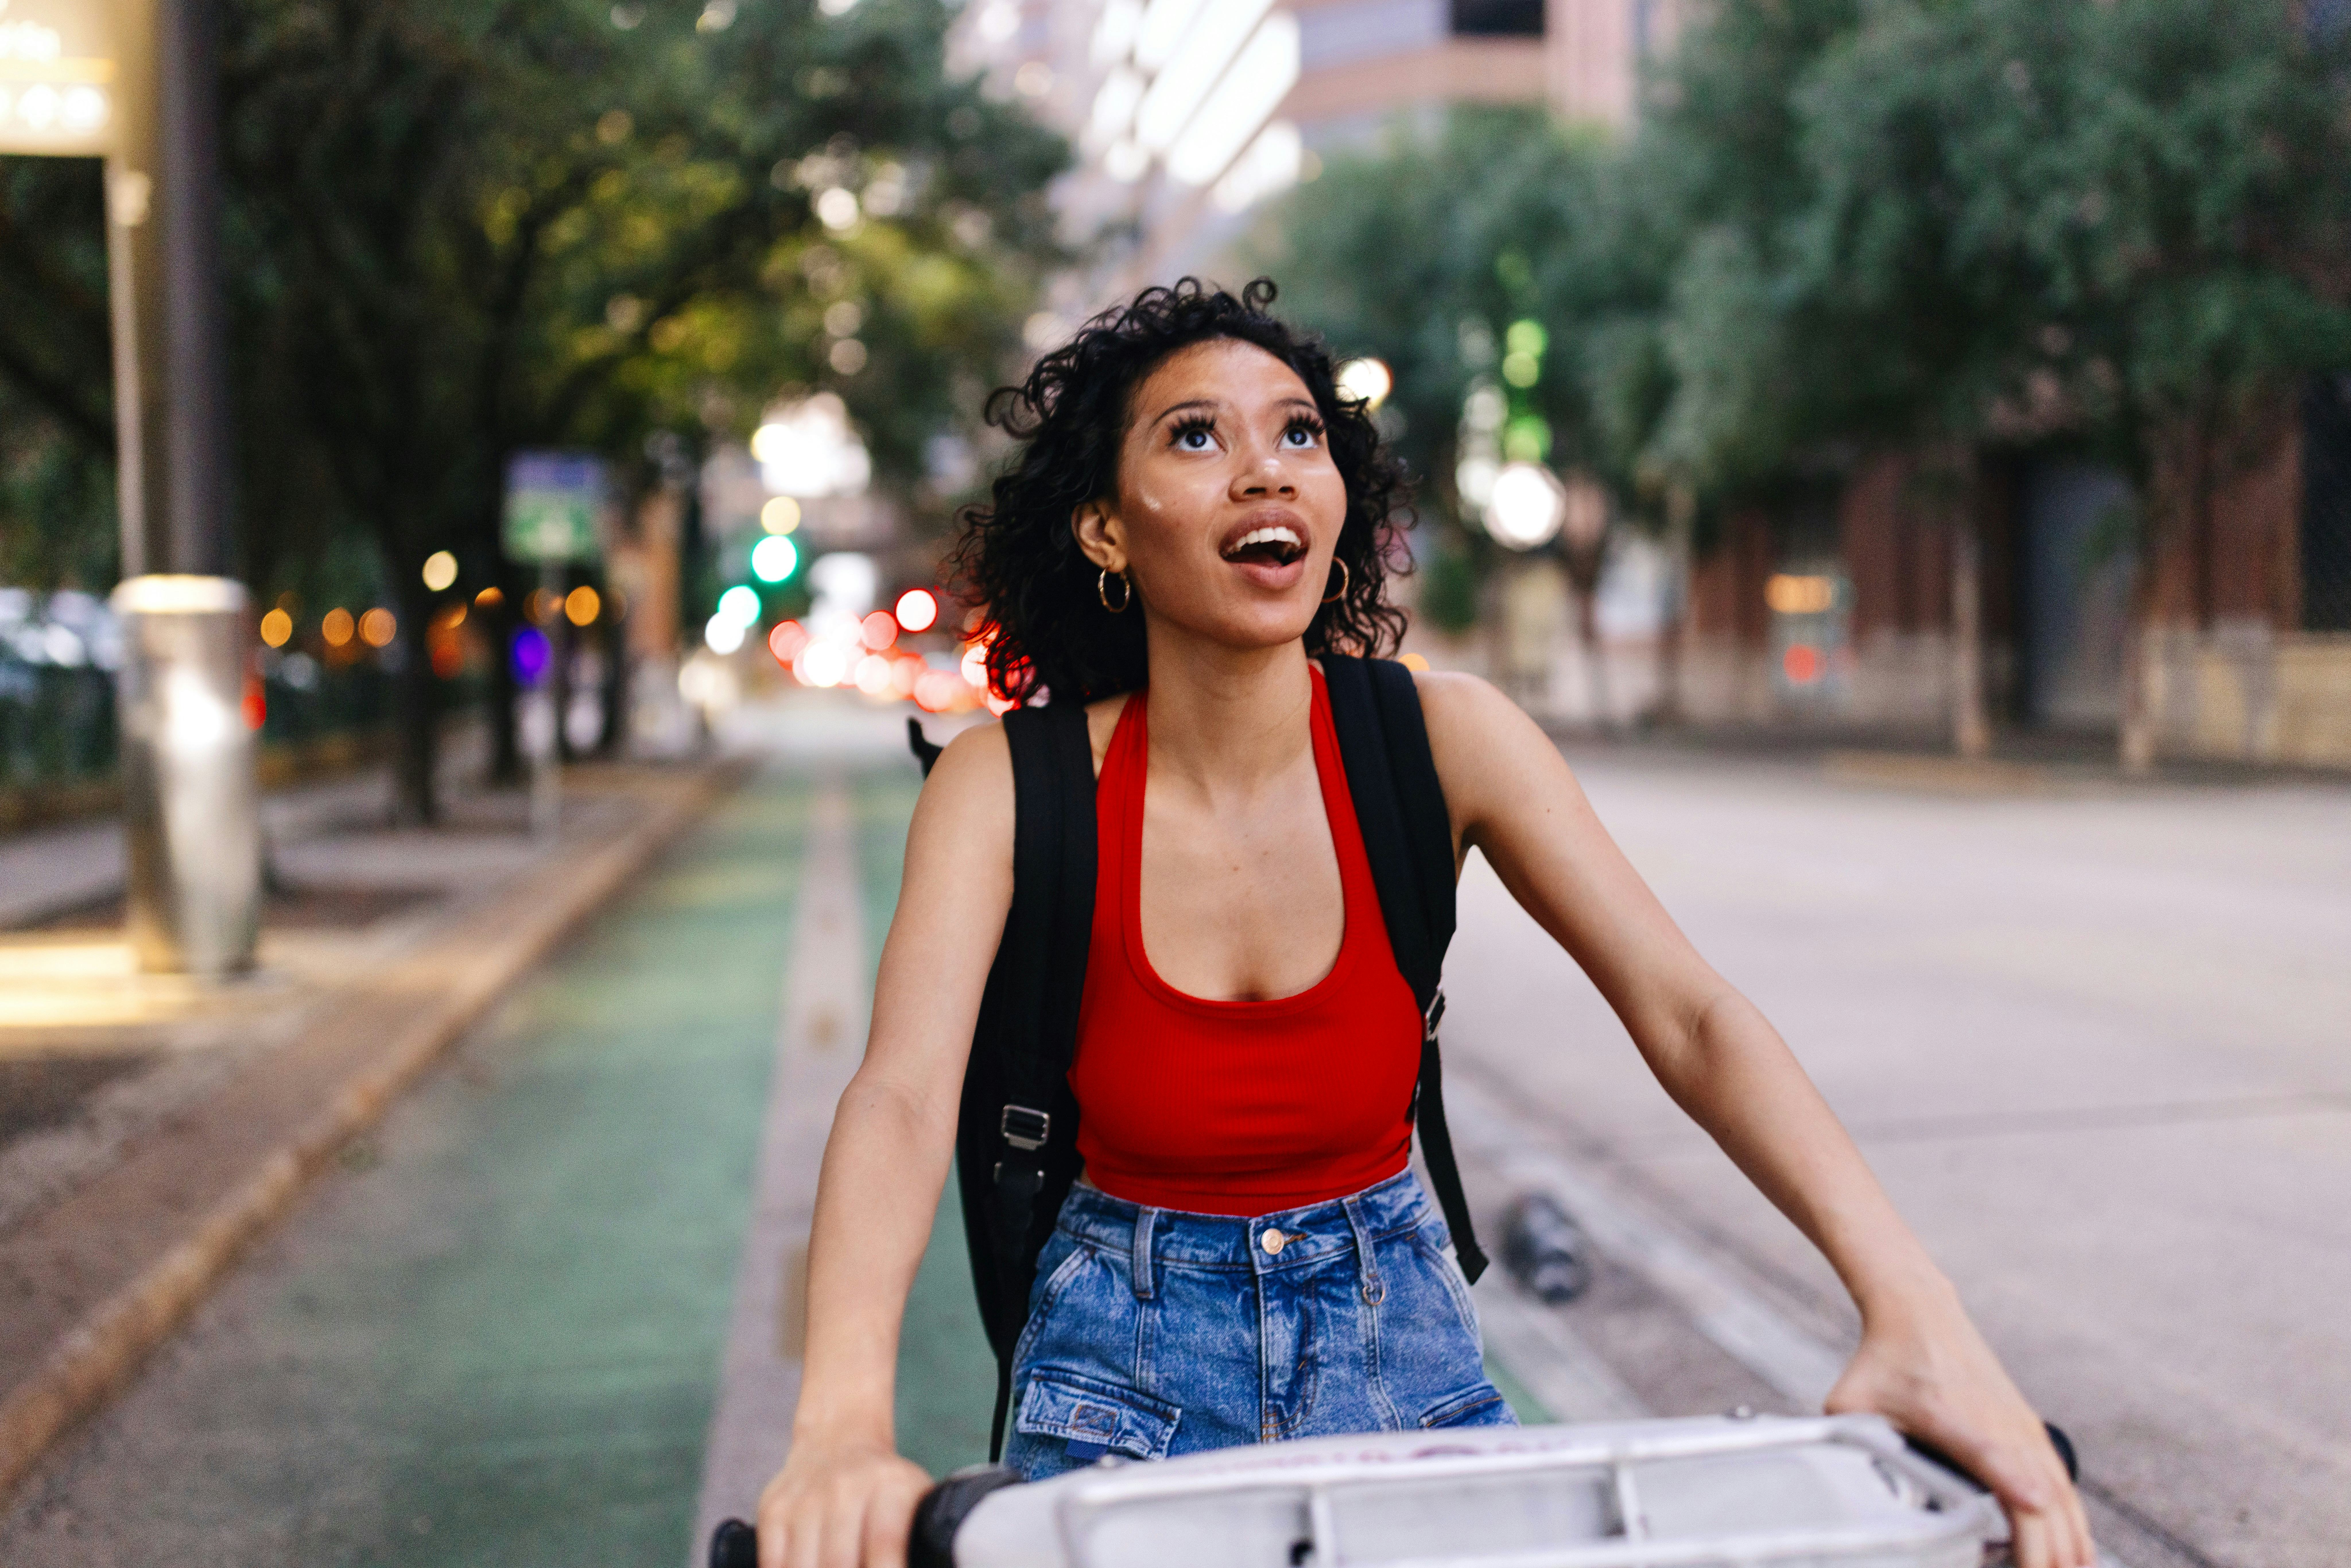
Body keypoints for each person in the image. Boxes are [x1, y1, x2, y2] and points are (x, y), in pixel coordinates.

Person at [757, 280, 2094, 1568]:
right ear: (1105, 528)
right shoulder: (1011, 787)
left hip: (1410, 1379)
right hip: (1117, 1407)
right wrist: (840, 1425)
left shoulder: (1443, 740)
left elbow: (1688, 1017)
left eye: (1297, 433)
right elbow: (898, 1098)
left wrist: (1912, 1305)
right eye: (1194, 436)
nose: (1266, 468)